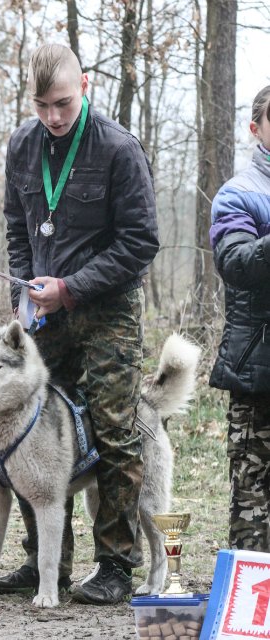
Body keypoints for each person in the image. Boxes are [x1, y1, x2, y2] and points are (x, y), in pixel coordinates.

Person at [0, 43, 159, 605]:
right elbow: (17, 228)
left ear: (84, 86)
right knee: (32, 433)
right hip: (43, 315)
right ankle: (47, 564)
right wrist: (24, 289)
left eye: (63, 103)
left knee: (114, 431)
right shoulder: (22, 144)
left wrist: (73, 288)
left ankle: (115, 564)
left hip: (107, 311)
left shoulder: (118, 148)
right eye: (42, 105)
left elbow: (141, 242)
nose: (53, 117)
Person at [209, 85, 270, 552]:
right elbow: (238, 263)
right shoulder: (238, 195)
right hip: (257, 376)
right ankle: (250, 618)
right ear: (256, 129)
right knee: (255, 507)